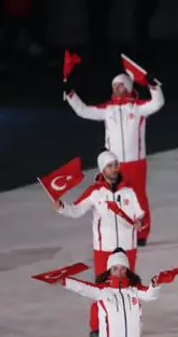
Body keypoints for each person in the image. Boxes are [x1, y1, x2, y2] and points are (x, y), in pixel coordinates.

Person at [54, 150, 145, 337]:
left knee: (128, 286)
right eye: (110, 166)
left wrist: (139, 223)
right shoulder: (95, 193)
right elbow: (77, 210)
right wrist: (62, 207)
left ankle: (128, 322)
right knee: (102, 287)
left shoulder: (128, 191)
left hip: (128, 246)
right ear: (102, 169)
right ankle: (97, 326)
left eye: (115, 164)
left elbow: (139, 214)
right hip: (105, 248)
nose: (114, 169)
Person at [64, 72, 164, 246]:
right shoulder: (107, 109)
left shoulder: (138, 108)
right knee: (113, 197)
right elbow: (83, 111)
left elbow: (158, 102)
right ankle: (119, 231)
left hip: (136, 162)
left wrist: (153, 86)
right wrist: (70, 95)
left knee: (138, 197)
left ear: (128, 87)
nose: (117, 88)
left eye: (120, 85)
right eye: (114, 86)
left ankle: (141, 233)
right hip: (113, 163)